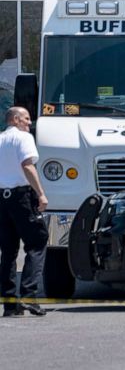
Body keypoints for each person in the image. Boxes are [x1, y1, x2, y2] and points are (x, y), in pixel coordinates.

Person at [0, 107, 48, 317]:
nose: (30, 123)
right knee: (37, 242)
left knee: (8, 251)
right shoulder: (23, 137)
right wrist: (41, 194)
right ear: (16, 119)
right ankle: (29, 295)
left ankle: (10, 304)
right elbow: (28, 166)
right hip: (21, 197)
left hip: (2, 198)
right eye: (27, 119)